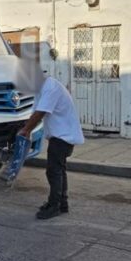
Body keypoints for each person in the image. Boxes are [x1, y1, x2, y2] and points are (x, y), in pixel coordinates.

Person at [17, 70, 85, 220]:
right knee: (59, 170)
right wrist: (26, 127)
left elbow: (40, 113)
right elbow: (35, 112)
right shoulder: (42, 90)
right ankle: (62, 203)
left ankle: (54, 206)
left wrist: (26, 130)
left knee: (53, 172)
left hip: (63, 136)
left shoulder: (51, 87)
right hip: (59, 136)